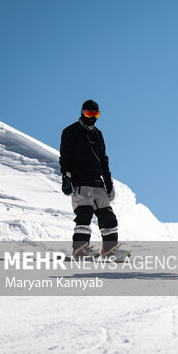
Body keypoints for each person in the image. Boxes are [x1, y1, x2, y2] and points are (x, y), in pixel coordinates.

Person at [59, 100, 126, 259]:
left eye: (96, 114)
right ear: (82, 112)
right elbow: (65, 157)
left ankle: (110, 252)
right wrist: (66, 177)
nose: (92, 117)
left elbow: (103, 159)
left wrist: (109, 184)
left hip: (97, 182)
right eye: (89, 114)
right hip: (80, 181)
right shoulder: (70, 131)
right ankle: (80, 251)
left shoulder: (98, 134)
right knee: (84, 214)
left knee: (108, 217)